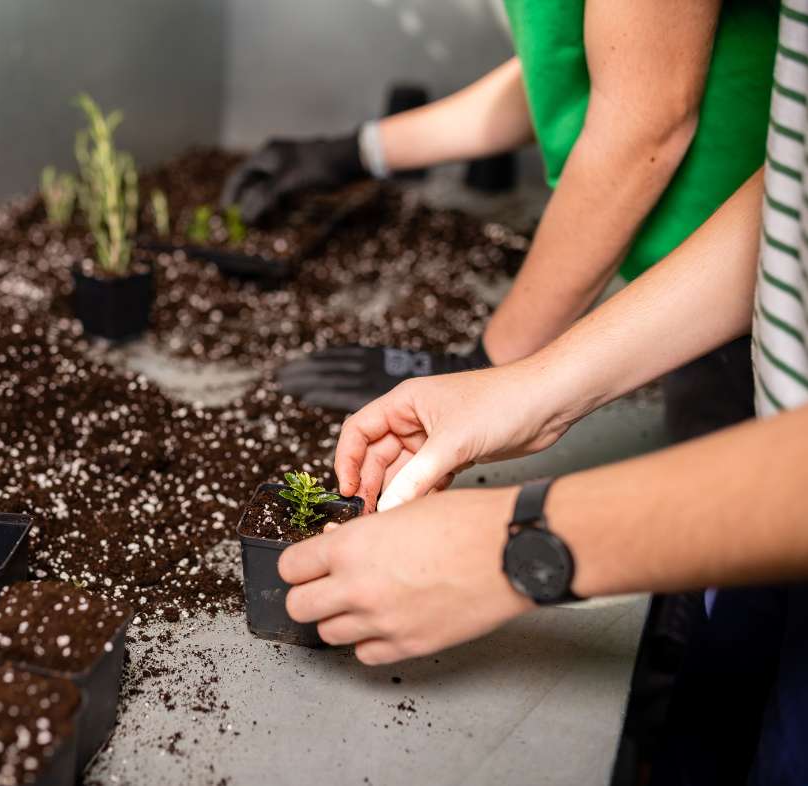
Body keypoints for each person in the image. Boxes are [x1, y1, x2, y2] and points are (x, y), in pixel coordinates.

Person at [275, 4, 808, 775]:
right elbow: (790, 204)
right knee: (717, 708)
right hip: (767, 468)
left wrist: (520, 547)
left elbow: (643, 121)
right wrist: (530, 388)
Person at [224, 0, 776, 420]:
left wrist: (489, 362)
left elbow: (640, 130)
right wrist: (359, 150)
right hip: (679, 286)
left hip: (742, 296)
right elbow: (577, 65)